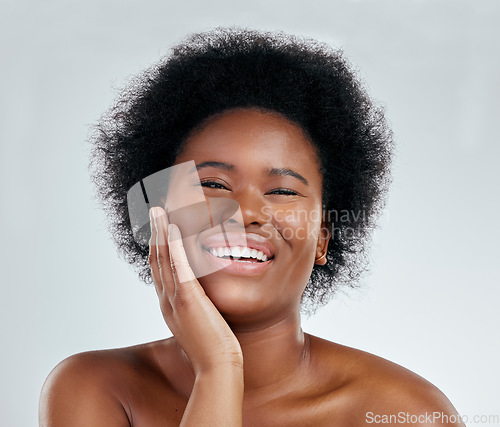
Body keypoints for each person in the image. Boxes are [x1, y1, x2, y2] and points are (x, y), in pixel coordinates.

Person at [39, 28, 464, 426]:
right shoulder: (95, 388)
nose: (245, 211)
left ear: (322, 240)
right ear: (159, 215)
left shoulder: (406, 411)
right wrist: (219, 369)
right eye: (211, 184)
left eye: (282, 191)